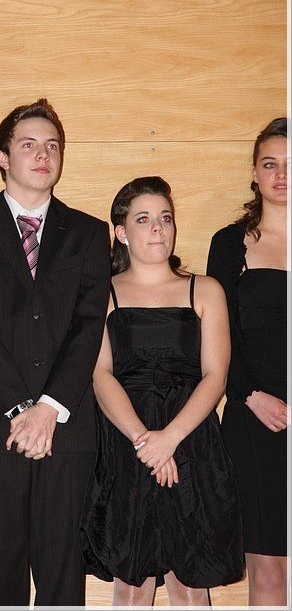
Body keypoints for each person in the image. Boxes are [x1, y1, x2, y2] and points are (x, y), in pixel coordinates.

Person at [0, 98, 110, 606]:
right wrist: (21, 410)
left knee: (63, 578)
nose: (43, 155)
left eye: (52, 146)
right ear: (1, 157)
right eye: (29, 145)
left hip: (66, 427)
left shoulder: (89, 232)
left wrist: (48, 409)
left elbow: (88, 326)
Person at [81, 176, 244, 606]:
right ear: (121, 232)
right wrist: (145, 443)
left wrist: (168, 440)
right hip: (125, 444)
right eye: (144, 219)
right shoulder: (102, 294)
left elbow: (216, 376)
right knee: (132, 585)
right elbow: (100, 375)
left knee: (190, 584)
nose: (158, 227)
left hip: (192, 443)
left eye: (165, 218)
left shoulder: (205, 289)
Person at [206, 118, 288, 606]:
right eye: (270, 164)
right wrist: (252, 396)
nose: (281, 175)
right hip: (255, 418)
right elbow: (219, 337)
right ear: (254, 173)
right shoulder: (229, 242)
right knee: (269, 571)